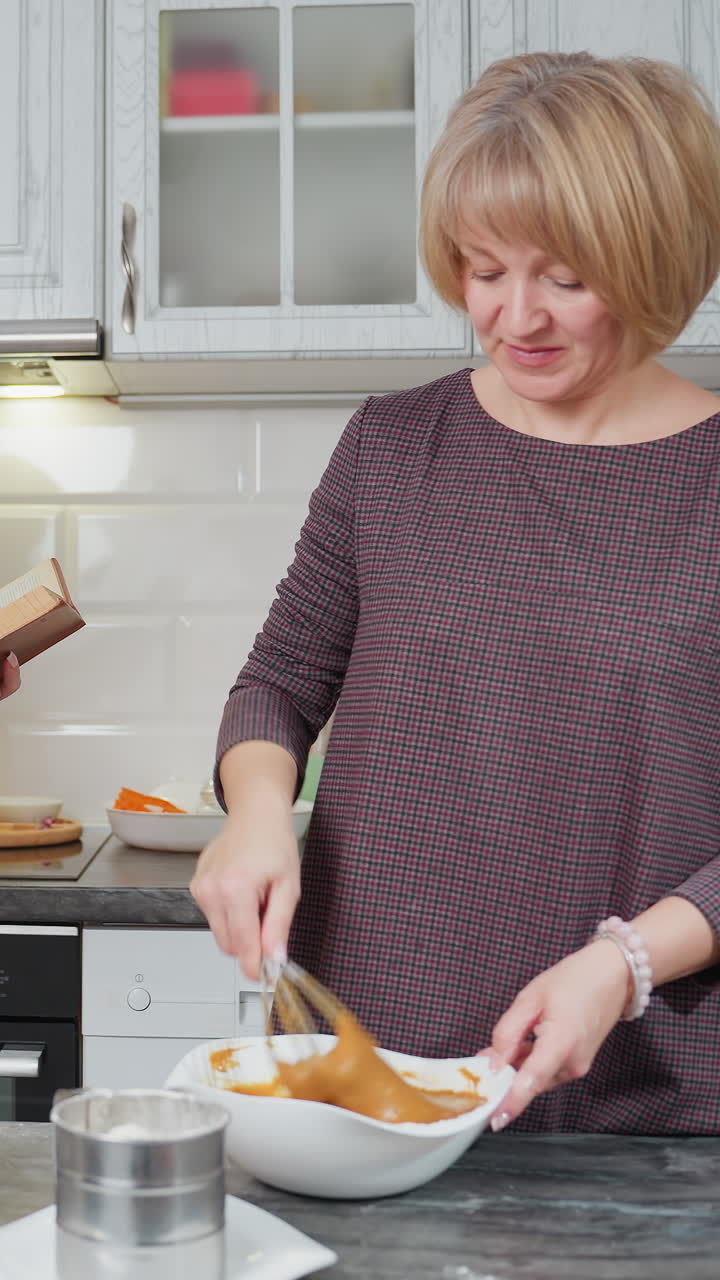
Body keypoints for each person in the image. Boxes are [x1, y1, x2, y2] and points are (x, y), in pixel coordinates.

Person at [191, 51, 720, 1135]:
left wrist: (623, 962)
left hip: (637, 1101)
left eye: (566, 278)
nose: (516, 315)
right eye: (485, 270)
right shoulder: (393, 446)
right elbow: (278, 681)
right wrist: (257, 815)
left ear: (655, 260)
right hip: (367, 1077)